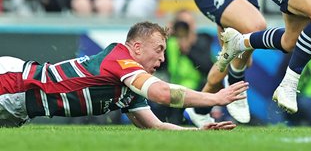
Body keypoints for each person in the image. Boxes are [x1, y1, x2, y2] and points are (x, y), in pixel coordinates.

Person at [0, 21, 246, 129]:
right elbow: (161, 93)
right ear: (137, 47)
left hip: (21, 108)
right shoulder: (120, 60)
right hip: (14, 84)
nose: (162, 59)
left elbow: (156, 126)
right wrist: (215, 98)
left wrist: (197, 133)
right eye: (158, 50)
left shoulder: (130, 87)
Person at [152, 10, 215, 124]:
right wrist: (164, 36)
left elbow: (207, 68)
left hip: (196, 90)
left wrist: (189, 51)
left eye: (187, 25)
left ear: (193, 26)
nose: (183, 29)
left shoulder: (202, 40)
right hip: (172, 90)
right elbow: (156, 66)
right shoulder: (169, 43)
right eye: (180, 24)